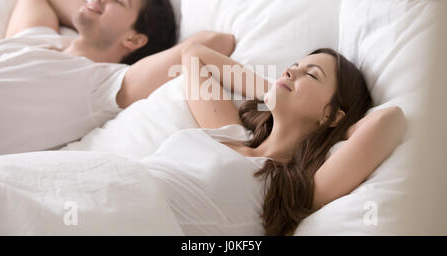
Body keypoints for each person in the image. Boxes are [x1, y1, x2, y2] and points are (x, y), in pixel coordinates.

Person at [142, 42, 407, 236]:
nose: (290, 72)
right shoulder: (231, 131)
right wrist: (274, 90)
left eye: (311, 75)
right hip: (116, 182)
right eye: (292, 68)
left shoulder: (293, 189)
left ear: (330, 114)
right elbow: (194, 55)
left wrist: (338, 127)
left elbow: (390, 120)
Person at [0, 0, 234, 155]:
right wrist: (95, 16)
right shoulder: (40, 38)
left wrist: (100, 22)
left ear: (134, 39)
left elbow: (214, 42)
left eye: (120, 1)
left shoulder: (104, 83)